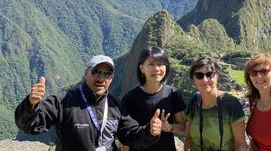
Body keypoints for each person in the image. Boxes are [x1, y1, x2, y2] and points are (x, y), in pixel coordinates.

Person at [15, 55, 162, 151]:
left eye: (107, 74)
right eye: (96, 72)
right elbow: (29, 125)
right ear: (86, 73)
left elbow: (130, 135)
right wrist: (31, 104)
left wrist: (149, 131)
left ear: (111, 78)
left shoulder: (115, 105)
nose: (101, 78)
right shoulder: (63, 100)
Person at [121, 46, 186, 151]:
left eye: (160, 64)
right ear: (142, 68)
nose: (157, 69)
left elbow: (183, 126)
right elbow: (126, 136)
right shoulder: (130, 98)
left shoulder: (173, 94)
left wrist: (169, 127)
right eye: (151, 64)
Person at [184, 55, 248, 151]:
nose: (205, 80)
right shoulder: (194, 101)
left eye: (210, 74)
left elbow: (241, 144)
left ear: (217, 75)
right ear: (193, 78)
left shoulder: (231, 104)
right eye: (199, 75)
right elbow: (188, 139)